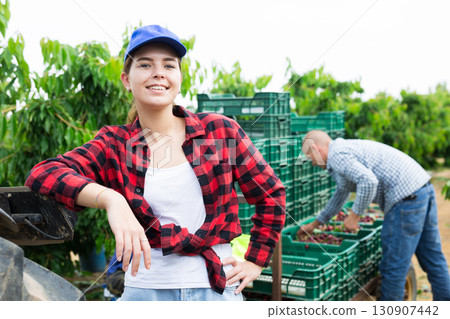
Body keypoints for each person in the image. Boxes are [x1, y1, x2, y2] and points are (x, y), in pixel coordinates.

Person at [25, 25, 286, 301]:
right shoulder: (115, 143)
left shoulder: (220, 131)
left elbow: (271, 194)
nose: (158, 73)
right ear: (127, 80)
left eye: (169, 65)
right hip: (145, 293)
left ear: (180, 77)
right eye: (145, 64)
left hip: (216, 291)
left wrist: (256, 260)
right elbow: (44, 173)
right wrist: (111, 199)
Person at [298, 130, 450, 301]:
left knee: (393, 267)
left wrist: (354, 216)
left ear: (315, 148)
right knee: (433, 259)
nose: (312, 162)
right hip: (422, 189)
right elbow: (341, 194)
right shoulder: (342, 151)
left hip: (406, 199)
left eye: (310, 156)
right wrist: (315, 224)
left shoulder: (337, 155)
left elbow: (368, 181)